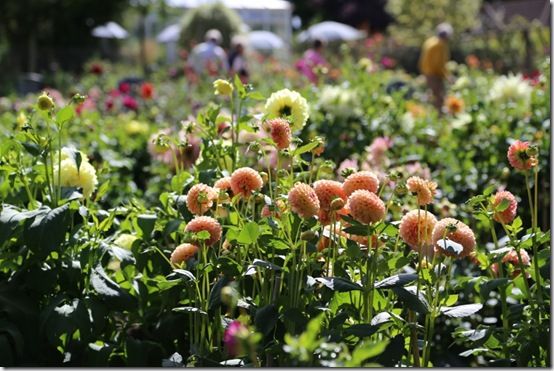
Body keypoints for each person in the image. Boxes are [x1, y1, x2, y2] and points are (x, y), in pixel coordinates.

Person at [419, 23, 453, 113]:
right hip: (434, 74)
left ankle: (429, 110)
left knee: (433, 94)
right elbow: (439, 64)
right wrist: (446, 76)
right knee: (439, 97)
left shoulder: (430, 41)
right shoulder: (439, 45)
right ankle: (438, 117)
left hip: (427, 72)